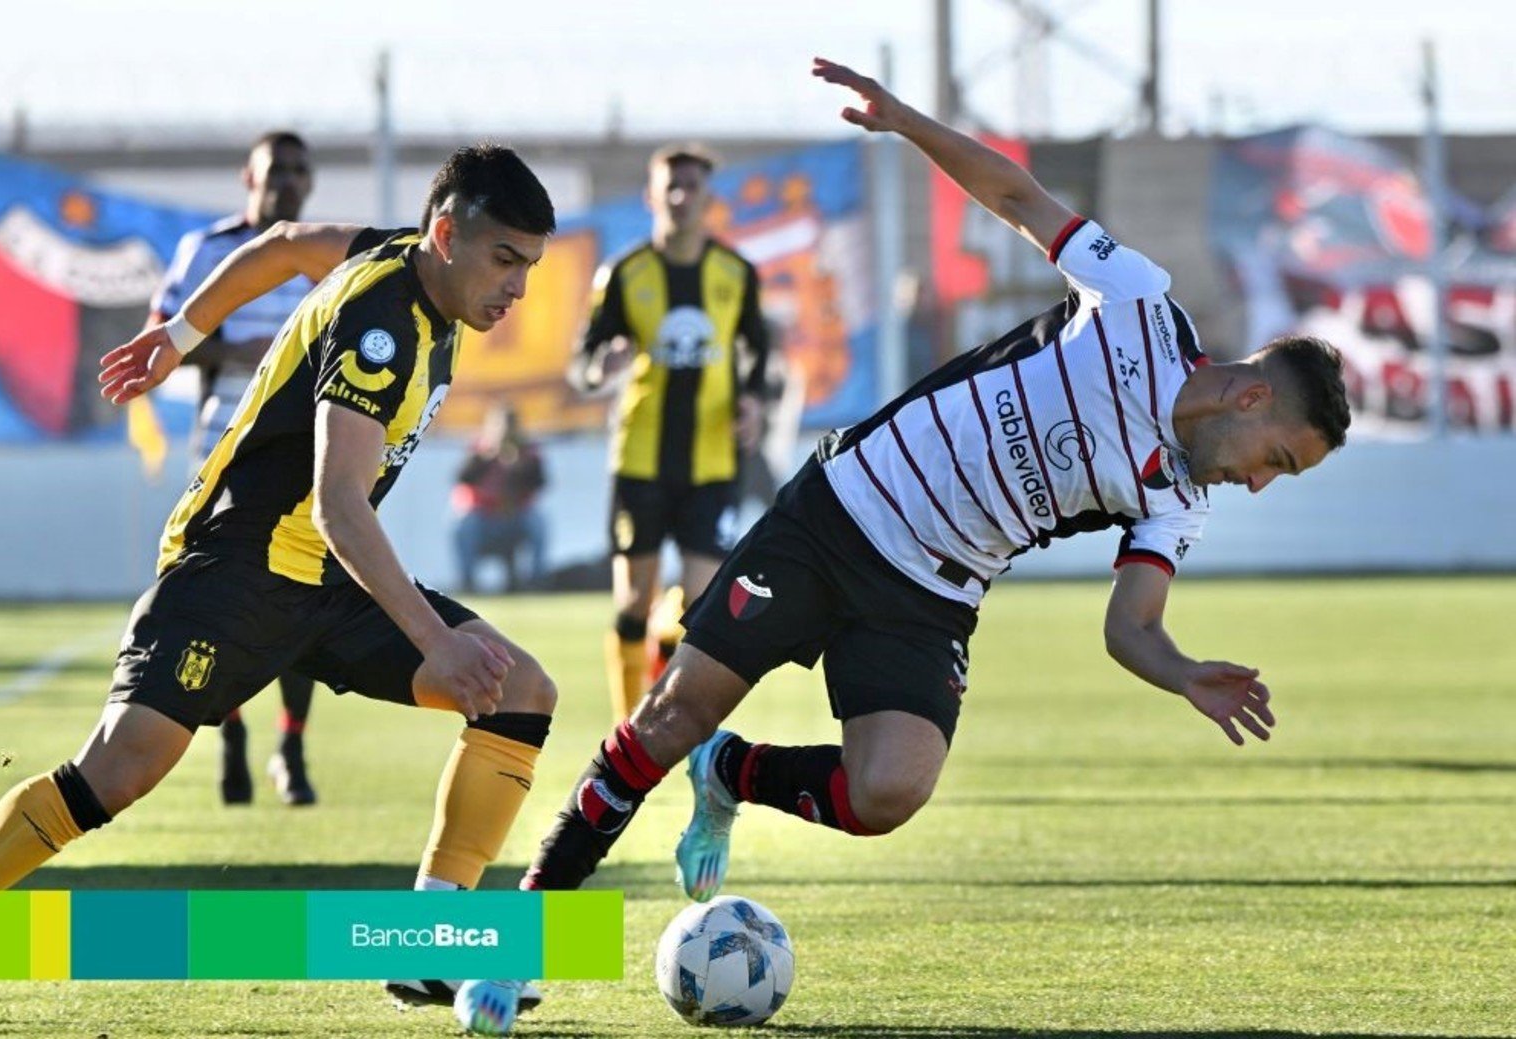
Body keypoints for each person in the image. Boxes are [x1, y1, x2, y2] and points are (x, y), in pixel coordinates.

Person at [491, 59, 1352, 1027]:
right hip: (837, 515)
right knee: (666, 715)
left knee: (888, 792)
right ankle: (523, 938)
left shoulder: (1178, 496)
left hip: (929, 594)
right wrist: (906, 122)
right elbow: (1015, 194)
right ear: (1247, 394)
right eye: (1274, 457)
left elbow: (1132, 625)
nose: (1255, 481)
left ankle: (733, 772)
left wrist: (1180, 669)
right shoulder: (1139, 308)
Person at [0, 145, 556, 1027]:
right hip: (234, 570)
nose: (517, 289)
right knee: (116, 773)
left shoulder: (395, 257)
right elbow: (340, 504)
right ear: (447, 233)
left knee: (521, 692)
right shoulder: (381, 322)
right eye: (505, 260)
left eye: (530, 267)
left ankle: (433, 939)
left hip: (323, 581)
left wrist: (181, 333)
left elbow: (280, 244)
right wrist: (437, 640)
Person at [148, 129, 323, 806]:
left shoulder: (323, 254)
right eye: (274, 169)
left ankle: (293, 744)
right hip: (224, 438)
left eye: (297, 171)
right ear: (246, 179)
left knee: (302, 589)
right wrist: (229, 342)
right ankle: (231, 736)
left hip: (307, 445)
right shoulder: (208, 251)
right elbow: (163, 337)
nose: (285, 181)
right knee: (223, 597)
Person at [569, 142, 770, 723]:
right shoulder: (626, 274)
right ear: (651, 196)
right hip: (640, 458)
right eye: (671, 186)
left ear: (709, 198)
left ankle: (664, 711)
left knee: (697, 610)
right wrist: (598, 367)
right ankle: (625, 729)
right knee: (632, 602)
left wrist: (754, 401)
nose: (682, 196)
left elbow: (758, 353)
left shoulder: (736, 274)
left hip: (712, 460)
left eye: (692, 186)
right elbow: (581, 362)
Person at [451, 403, 549, 593]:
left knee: (538, 522)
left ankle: (537, 581)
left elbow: (540, 482)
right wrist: (488, 456)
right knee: (463, 523)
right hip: (483, 519)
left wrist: (520, 465)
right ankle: (468, 583)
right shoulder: (478, 449)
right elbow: (462, 477)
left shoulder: (528, 451)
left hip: (514, 517)